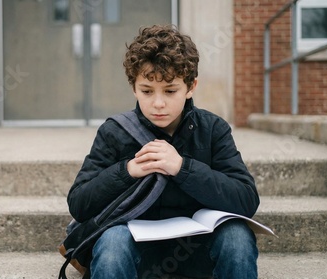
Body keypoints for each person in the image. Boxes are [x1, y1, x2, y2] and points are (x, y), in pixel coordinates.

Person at [66, 25, 260, 279]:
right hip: (135, 253)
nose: (158, 103)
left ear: (191, 87)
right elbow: (79, 204)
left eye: (170, 91)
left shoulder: (213, 129)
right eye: (147, 91)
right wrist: (127, 171)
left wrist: (183, 168)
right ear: (133, 88)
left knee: (237, 235)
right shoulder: (114, 132)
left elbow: (246, 199)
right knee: (112, 242)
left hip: (196, 251)